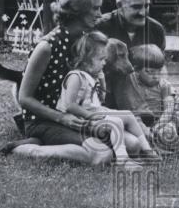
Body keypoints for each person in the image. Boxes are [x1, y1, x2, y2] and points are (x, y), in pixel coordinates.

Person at [3, 0, 111, 165]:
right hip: (42, 120)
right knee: (100, 154)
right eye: (95, 8)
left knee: (113, 138)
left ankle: (45, 142)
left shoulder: (84, 41)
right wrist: (62, 119)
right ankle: (28, 149)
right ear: (78, 9)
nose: (99, 14)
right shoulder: (47, 47)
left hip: (74, 117)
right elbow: (25, 98)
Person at [57, 31, 161, 172]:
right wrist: (90, 116)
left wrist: (101, 80)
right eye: (101, 59)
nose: (104, 63)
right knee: (116, 122)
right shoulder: (76, 76)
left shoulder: (91, 76)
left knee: (128, 114)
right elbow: (69, 105)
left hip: (94, 111)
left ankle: (147, 150)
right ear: (87, 59)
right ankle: (122, 160)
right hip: (81, 117)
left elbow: (101, 99)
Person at [115, 44, 179, 151]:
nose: (156, 76)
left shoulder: (164, 85)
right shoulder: (132, 82)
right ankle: (155, 142)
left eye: (159, 71)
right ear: (137, 71)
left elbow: (169, 109)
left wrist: (160, 124)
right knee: (141, 128)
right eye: (149, 72)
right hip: (141, 121)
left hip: (163, 119)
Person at [96, 0, 167, 107]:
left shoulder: (156, 30)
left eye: (146, 6)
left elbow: (161, 69)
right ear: (119, 5)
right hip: (108, 103)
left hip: (147, 103)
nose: (143, 12)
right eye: (136, 7)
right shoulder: (101, 28)